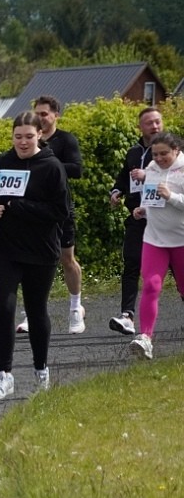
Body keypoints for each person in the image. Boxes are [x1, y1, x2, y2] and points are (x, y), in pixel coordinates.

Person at [0, 111, 69, 401]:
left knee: (36, 309)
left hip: (40, 250)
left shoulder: (52, 167)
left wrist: (19, 207)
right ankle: (4, 375)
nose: (23, 142)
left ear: (40, 135)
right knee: (4, 308)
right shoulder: (1, 163)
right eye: (18, 136)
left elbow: (59, 212)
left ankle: (41, 369)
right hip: (4, 249)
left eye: (29, 136)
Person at [16, 96, 87, 335]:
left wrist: (49, 165)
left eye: (45, 113)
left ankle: (76, 307)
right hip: (31, 211)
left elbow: (77, 169)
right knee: (29, 261)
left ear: (56, 115)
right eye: (38, 113)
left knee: (67, 259)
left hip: (59, 209)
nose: (41, 117)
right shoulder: (27, 141)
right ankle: (31, 311)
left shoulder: (65, 140)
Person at [128, 132, 184, 360]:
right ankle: (145, 338)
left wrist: (171, 196)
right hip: (154, 238)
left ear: (177, 151)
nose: (159, 158)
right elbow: (149, 198)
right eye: (155, 154)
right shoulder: (150, 168)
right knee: (151, 285)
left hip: (181, 240)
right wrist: (143, 210)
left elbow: (171, 199)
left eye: (164, 154)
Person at [109, 107, 165, 336]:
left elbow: (175, 178)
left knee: (178, 269)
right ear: (140, 127)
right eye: (149, 123)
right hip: (137, 217)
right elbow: (125, 175)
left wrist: (147, 176)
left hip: (165, 218)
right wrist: (117, 190)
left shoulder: (171, 150)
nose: (155, 126)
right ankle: (127, 317)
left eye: (158, 122)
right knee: (131, 263)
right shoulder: (133, 152)